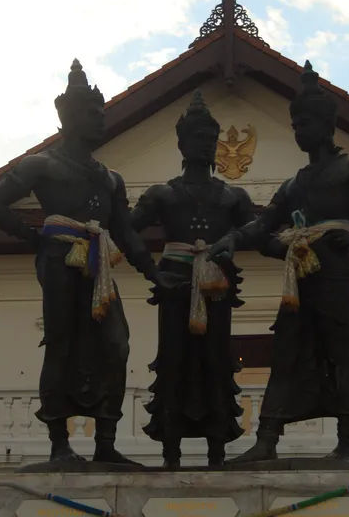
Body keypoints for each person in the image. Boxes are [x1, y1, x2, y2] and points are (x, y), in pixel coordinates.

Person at [0, 59, 181, 464]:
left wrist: (153, 273)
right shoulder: (42, 165)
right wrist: (35, 238)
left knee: (116, 344)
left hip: (98, 262)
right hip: (59, 258)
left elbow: (125, 232)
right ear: (69, 117)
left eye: (102, 113)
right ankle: (60, 443)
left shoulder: (110, 178)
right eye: (92, 114)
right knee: (62, 343)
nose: (100, 121)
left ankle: (105, 442)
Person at [209, 62, 349, 463]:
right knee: (285, 348)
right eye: (295, 124)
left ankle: (347, 442)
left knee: (338, 349)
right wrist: (236, 238)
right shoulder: (293, 184)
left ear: (326, 124)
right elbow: (264, 224)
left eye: (305, 123)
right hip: (299, 273)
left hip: (335, 266)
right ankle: (267, 439)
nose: (299, 131)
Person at [131, 91, 255, 468]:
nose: (203, 144)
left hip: (216, 286)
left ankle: (217, 450)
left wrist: (236, 239)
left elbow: (260, 230)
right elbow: (125, 231)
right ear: (181, 143)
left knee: (216, 361)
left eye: (209, 138)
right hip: (174, 285)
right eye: (196, 137)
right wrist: (152, 272)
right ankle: (171, 451)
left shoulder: (233, 196)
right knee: (174, 361)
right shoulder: (162, 194)